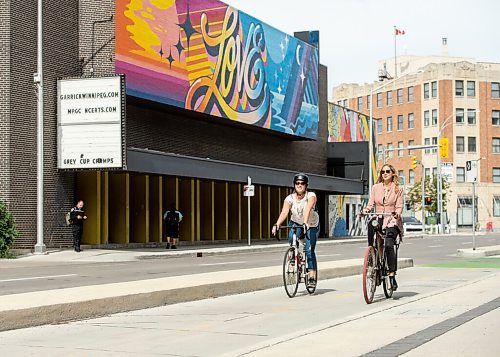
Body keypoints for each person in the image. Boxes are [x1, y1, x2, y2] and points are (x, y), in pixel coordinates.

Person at [272, 173, 320, 288]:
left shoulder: (311, 196)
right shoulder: (289, 198)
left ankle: (312, 275)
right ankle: (294, 256)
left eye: (302, 183)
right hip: (296, 222)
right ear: (294, 185)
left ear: (306, 185)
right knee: (291, 237)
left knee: (309, 250)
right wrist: (277, 224)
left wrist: (305, 222)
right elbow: (284, 212)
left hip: (311, 224)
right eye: (297, 183)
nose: (299, 185)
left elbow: (308, 208)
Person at [363, 164, 404, 290]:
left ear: (392, 173)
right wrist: (366, 209)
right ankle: (372, 255)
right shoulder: (376, 188)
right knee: (371, 224)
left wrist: (397, 214)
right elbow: (371, 204)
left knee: (388, 245)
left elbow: (399, 206)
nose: (384, 173)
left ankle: (391, 275)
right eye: (382, 172)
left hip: (392, 219)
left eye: (387, 171)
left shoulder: (398, 189)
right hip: (379, 217)